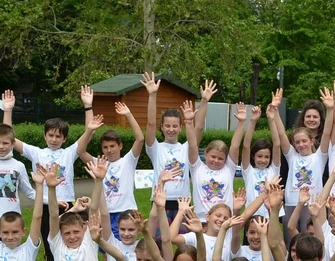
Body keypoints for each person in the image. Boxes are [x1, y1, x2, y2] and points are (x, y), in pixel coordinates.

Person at [3, 85, 93, 261]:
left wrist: (88, 106)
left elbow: (89, 132)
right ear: (45, 136)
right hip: (45, 207)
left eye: (58, 136)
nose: (54, 139)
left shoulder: (69, 153)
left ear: (64, 138)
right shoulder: (37, 153)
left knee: (74, 246)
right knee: (51, 249)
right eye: (51, 135)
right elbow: (9, 139)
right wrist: (8, 110)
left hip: (68, 206)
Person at [145, 73, 216, 223]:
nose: (171, 129)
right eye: (167, 126)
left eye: (175, 126)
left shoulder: (186, 148)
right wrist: (152, 95)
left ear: (180, 127)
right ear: (161, 127)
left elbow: (199, 127)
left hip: (183, 203)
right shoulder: (155, 148)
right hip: (160, 201)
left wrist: (204, 101)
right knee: (160, 238)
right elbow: (150, 124)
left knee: (184, 239)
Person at [273, 80, 335, 237]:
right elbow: (281, 134)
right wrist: (275, 109)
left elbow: (327, 132)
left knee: (311, 242)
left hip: (313, 203)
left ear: (311, 141)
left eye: (304, 141)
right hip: (291, 203)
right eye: (297, 142)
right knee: (291, 242)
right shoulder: (292, 156)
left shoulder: (320, 157)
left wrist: (330, 109)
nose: (301, 145)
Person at [77, 100, 144, 238]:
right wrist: (89, 130)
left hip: (126, 212)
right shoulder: (98, 163)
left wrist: (128, 114)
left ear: (120, 146)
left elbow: (140, 139)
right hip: (105, 214)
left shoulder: (128, 161)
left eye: (112, 146)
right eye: (105, 147)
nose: (109, 150)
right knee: (105, 248)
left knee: (125, 246)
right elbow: (80, 151)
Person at [185, 98, 241, 222]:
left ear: (225, 159)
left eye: (220, 158)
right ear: (205, 154)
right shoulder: (197, 167)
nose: (216, 160)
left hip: (224, 221)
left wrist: (241, 122)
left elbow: (235, 146)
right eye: (213, 156)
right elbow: (192, 145)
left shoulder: (229, 168)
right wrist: (189, 122)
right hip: (201, 221)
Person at [244, 95, 282, 218]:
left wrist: (271, 119)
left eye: (267, 157)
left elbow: (277, 145)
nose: (263, 160)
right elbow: (246, 146)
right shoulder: (248, 170)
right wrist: (253, 121)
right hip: (252, 215)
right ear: (253, 156)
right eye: (259, 156)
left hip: (270, 215)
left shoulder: (273, 170)